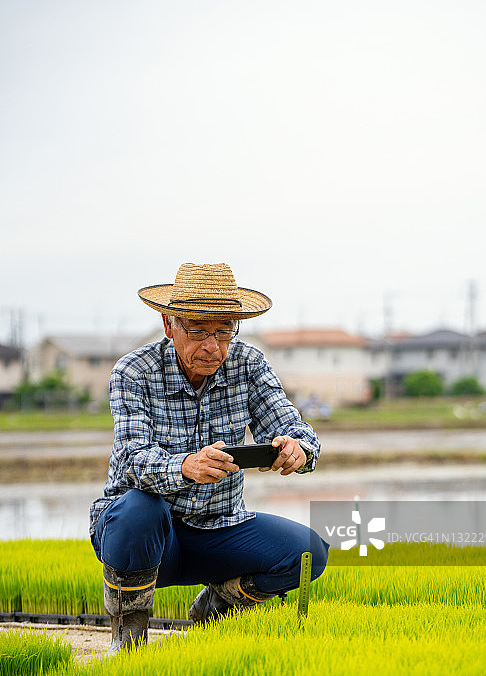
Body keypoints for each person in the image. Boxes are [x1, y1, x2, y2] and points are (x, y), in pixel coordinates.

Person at [89, 262, 328, 653]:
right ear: (169, 325)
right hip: (146, 538)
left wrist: (297, 448)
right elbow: (132, 458)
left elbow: (293, 427)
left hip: (218, 528)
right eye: (199, 331)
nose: (213, 346)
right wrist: (185, 466)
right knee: (138, 508)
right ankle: (128, 639)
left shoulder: (248, 364)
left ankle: (218, 604)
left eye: (224, 331)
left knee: (308, 553)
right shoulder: (133, 371)